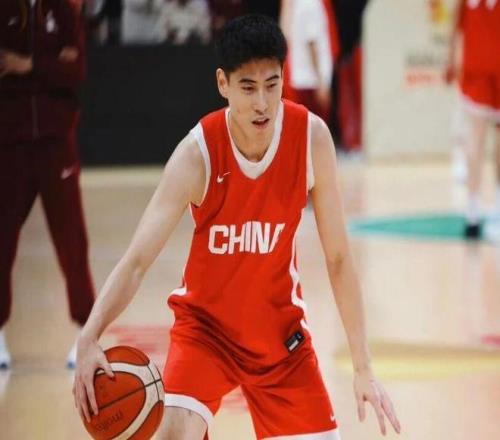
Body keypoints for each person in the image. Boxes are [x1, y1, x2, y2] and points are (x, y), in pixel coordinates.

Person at [73, 14, 401, 439]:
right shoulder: (197, 155)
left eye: (272, 84)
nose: (262, 103)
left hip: (281, 341)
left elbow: (338, 258)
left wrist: (363, 367)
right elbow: (137, 261)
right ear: (222, 83)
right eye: (248, 87)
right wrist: (89, 336)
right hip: (205, 335)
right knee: (174, 434)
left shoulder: (312, 139)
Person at [0, 0, 95, 369]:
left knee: (72, 241)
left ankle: (86, 333)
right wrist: (54, 65)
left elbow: (77, 70)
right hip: (10, 146)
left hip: (57, 144)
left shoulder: (64, 10)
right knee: (3, 240)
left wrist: (28, 66)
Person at [445, 0, 500, 238]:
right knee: (490, 140)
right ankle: (496, 206)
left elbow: (455, 25)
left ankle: (473, 211)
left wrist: (450, 58)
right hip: (490, 65)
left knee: (474, 140)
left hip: (476, 66)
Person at [280, 0, 336, 123]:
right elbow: (312, 42)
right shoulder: (311, 4)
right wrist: (321, 81)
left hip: (300, 77)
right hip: (310, 80)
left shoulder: (297, 4)